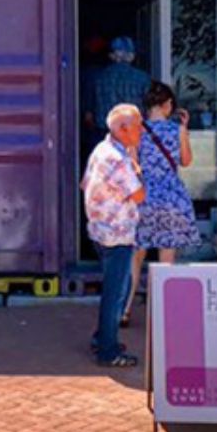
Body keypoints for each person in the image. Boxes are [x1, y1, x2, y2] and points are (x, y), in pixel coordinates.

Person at [122, 82, 201, 327]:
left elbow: (132, 164)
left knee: (135, 258)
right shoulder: (177, 129)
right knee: (166, 258)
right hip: (171, 198)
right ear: (168, 105)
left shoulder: (137, 131)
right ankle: (162, 313)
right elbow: (186, 161)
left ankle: (124, 310)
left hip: (143, 196)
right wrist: (185, 130)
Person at [83, 104, 145, 367]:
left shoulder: (101, 150)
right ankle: (108, 351)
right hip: (116, 234)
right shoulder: (118, 160)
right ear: (122, 129)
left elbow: (84, 183)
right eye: (138, 125)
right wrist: (136, 167)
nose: (142, 130)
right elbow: (139, 193)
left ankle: (102, 337)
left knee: (115, 287)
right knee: (116, 293)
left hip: (100, 230)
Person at [88, 36, 152, 133]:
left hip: (105, 132)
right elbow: (150, 110)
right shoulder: (143, 78)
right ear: (132, 56)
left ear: (111, 55)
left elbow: (89, 114)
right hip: (133, 133)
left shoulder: (98, 77)